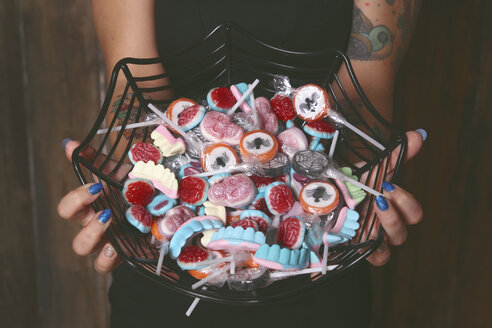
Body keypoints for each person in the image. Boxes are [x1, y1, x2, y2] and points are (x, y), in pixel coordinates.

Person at [57, 1, 425, 327]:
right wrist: (135, 173)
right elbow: (135, 90)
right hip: (165, 265)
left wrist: (357, 180)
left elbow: (365, 93)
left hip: (319, 267)